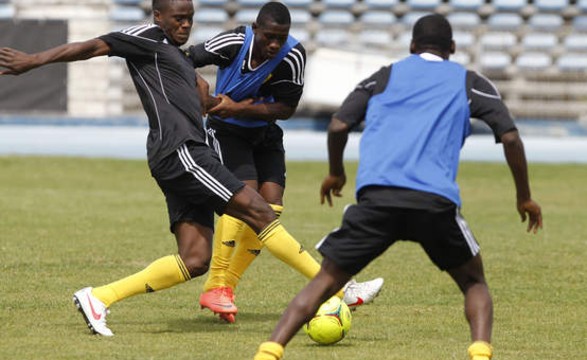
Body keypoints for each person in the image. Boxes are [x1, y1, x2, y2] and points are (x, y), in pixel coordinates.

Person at [0, 0, 371, 337]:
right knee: (259, 209)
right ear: (158, 16)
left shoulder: (174, 55)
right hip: (181, 152)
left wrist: (210, 96)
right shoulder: (144, 36)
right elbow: (91, 47)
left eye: (190, 18)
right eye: (178, 18)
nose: (185, 25)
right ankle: (339, 287)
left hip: (183, 153)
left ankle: (98, 297)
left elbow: (198, 94)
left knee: (195, 259)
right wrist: (32, 61)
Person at [253, 14, 543, 360]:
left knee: (325, 281)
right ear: (452, 48)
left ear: (411, 47)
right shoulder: (469, 82)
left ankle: (269, 353)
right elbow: (509, 136)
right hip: (434, 202)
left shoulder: (384, 76)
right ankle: (480, 353)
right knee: (474, 283)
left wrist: (336, 174)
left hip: (378, 198)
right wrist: (524, 197)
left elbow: (338, 125)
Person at [188, 1, 383, 323]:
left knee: (272, 208)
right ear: (255, 30)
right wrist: (202, 89)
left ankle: (225, 288)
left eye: (281, 37)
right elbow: (183, 59)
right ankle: (218, 285)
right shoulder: (233, 43)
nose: (275, 44)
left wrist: (238, 108)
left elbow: (286, 109)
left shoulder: (292, 56)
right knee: (245, 200)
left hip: (265, 134)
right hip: (227, 134)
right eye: (269, 37)